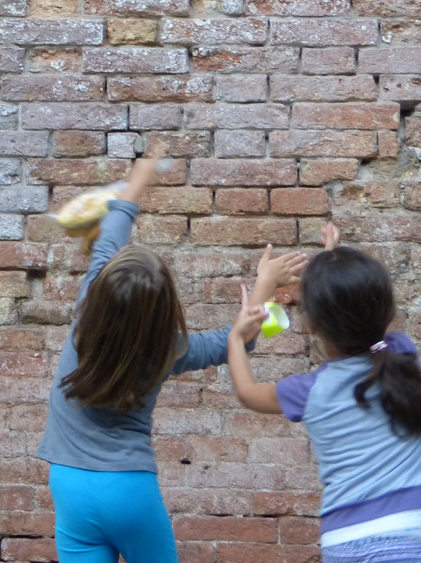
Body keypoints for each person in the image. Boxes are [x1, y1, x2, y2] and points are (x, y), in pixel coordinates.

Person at [37, 157, 308, 563]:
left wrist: (137, 181)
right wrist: (266, 284)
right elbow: (237, 339)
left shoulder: (85, 310)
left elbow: (112, 232)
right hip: (130, 490)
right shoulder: (168, 348)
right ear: (165, 309)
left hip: (68, 483)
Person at [228, 222, 421, 563]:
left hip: (345, 540)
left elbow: (247, 392)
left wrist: (236, 340)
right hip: (410, 533)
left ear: (313, 325)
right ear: (387, 309)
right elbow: (356, 312)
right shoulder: (403, 354)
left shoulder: (309, 392)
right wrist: (333, 262)